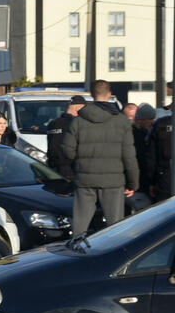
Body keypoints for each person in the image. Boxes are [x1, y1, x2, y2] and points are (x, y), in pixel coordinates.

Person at [61, 79, 138, 235]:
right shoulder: (122, 121)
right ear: (109, 94)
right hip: (113, 181)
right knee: (116, 230)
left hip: (85, 179)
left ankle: (78, 255)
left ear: (91, 94)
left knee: (80, 228)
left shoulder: (78, 120)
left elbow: (67, 150)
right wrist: (133, 183)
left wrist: (82, 160)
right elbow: (129, 156)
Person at [46, 96, 85, 178]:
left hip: (53, 166)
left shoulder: (53, 123)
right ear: (77, 107)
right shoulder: (75, 124)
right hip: (70, 167)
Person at [129, 104, 156, 210]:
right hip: (140, 183)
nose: (152, 122)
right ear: (140, 120)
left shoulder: (139, 133)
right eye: (149, 119)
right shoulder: (138, 136)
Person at [146, 112, 172, 201]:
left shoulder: (160, 123)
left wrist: (152, 182)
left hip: (164, 179)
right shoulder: (160, 124)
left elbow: (151, 157)